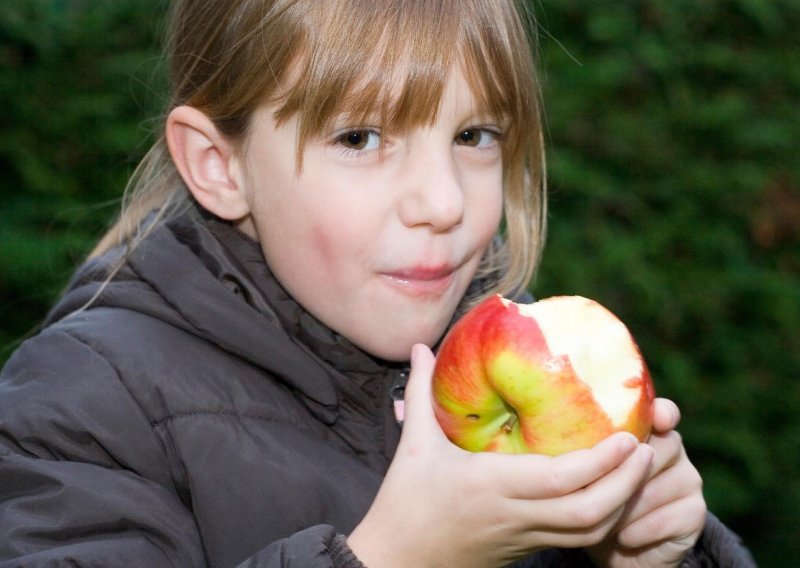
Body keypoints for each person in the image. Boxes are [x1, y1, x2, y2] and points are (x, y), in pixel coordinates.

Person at [0, 0, 756, 566]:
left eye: (474, 136)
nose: (445, 203)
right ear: (219, 165)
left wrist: (657, 552)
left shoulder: (511, 350)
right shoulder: (80, 408)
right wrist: (392, 557)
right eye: (360, 138)